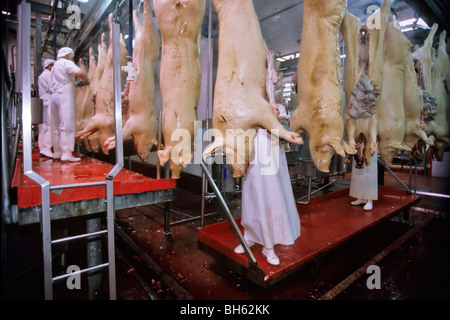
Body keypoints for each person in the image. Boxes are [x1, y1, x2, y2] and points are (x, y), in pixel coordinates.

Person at [235, 109, 301, 266]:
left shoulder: (276, 106)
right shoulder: (248, 103)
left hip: (271, 153)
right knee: (251, 195)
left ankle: (268, 245)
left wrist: (279, 120)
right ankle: (250, 235)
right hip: (252, 151)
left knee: (271, 195)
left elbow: (286, 125)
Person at [50, 47, 89, 162]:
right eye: (72, 56)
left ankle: (57, 152)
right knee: (67, 126)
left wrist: (78, 84)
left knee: (58, 127)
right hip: (64, 96)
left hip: (54, 96)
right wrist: (86, 79)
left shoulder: (55, 66)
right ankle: (67, 154)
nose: (73, 59)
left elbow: (64, 80)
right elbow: (80, 72)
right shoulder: (66, 63)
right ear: (67, 55)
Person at [37, 59, 56, 158]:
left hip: (43, 102)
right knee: (49, 126)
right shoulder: (48, 75)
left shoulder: (41, 76)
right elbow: (52, 88)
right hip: (48, 101)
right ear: (49, 66)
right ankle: (47, 149)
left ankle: (42, 148)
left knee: (44, 126)